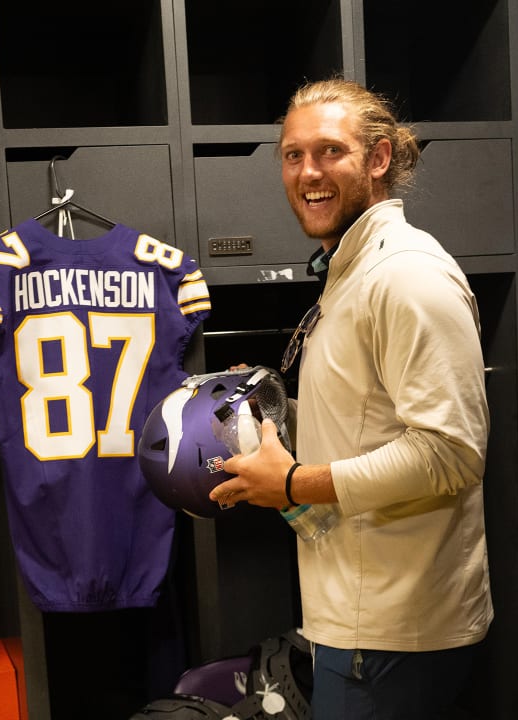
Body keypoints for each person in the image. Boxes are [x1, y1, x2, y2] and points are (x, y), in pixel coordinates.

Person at [208, 78, 492, 718]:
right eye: (292, 154)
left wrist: (293, 485)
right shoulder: (350, 271)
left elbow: (451, 454)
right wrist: (272, 413)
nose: (308, 172)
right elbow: (371, 424)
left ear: (380, 158)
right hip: (356, 619)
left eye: (330, 151)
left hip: (395, 632)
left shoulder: (406, 276)